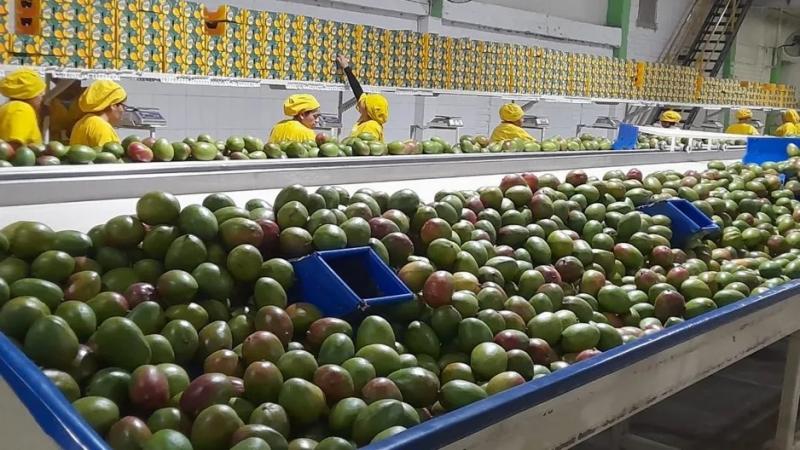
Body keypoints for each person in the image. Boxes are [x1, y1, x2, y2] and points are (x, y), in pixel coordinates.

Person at [336, 55, 389, 142]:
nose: (360, 103)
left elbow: (366, 148)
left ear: (369, 110)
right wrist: (346, 68)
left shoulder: (371, 126)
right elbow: (359, 92)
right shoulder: (367, 119)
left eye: (364, 103)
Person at [70, 79, 127, 147]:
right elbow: (109, 153)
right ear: (113, 106)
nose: (123, 110)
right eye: (123, 106)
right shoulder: (101, 127)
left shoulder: (83, 121)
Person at [0, 68, 46, 147]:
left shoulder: (11, 107)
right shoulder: (20, 109)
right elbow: (13, 147)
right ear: (30, 95)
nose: (41, 99)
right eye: (40, 94)